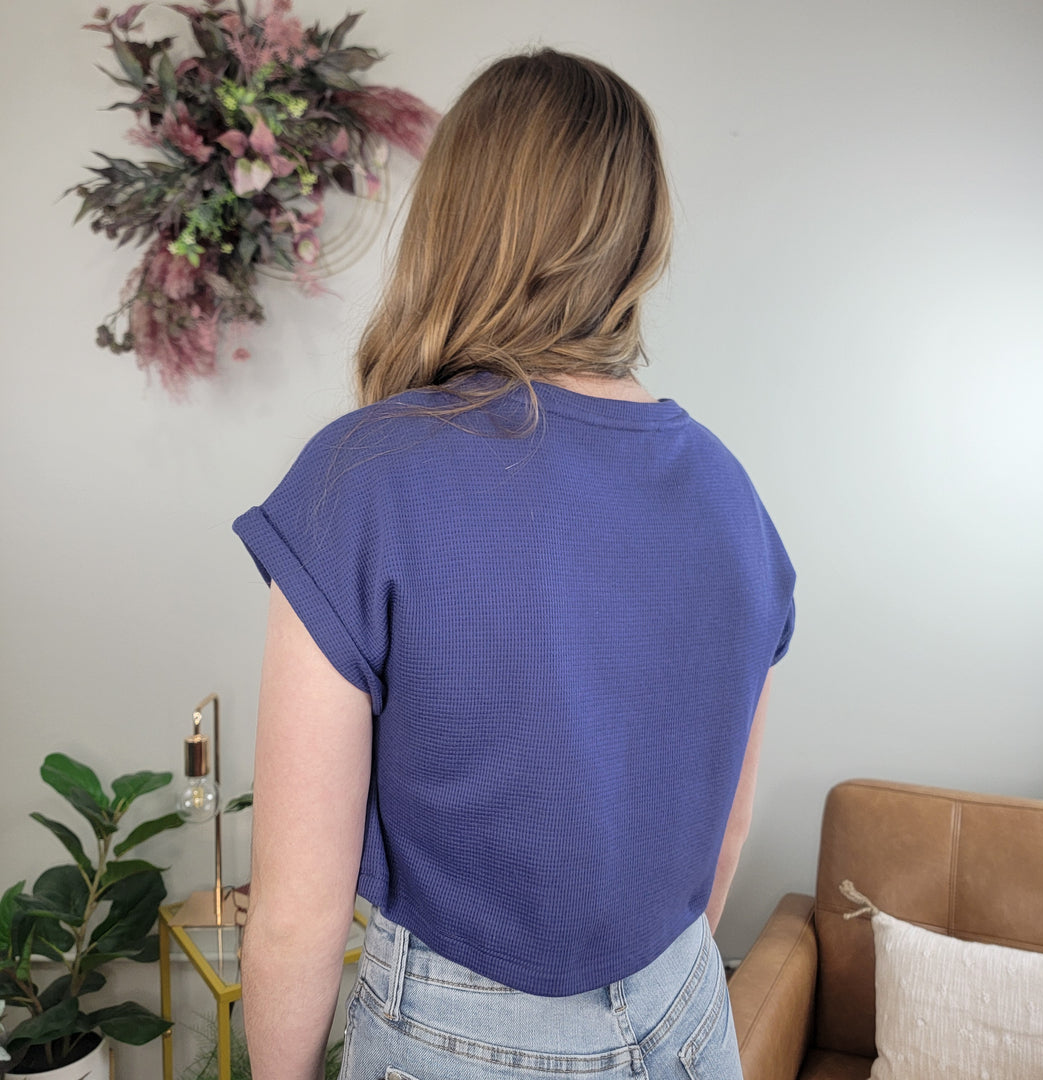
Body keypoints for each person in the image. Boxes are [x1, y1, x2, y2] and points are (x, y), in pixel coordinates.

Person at [232, 48, 795, 1080]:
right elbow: (726, 834)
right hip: (686, 1011)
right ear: (638, 240)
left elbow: (296, 916)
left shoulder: (365, 479)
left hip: (462, 1035)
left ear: (453, 219)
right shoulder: (730, 492)